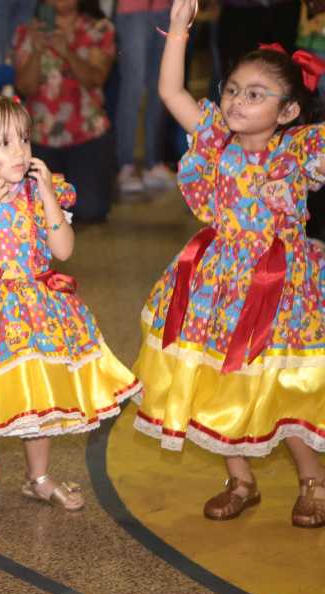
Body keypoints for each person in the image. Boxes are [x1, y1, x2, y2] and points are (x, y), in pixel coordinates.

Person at [134, 0, 325, 528]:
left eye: (256, 94)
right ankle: (240, 479)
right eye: (234, 89)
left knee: (280, 382)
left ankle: (313, 481)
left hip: (281, 286)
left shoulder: (301, 149)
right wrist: (178, 31)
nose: (238, 101)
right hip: (216, 282)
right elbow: (171, 92)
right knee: (215, 377)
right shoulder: (214, 138)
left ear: (288, 112)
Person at [0, 94, 138, 525]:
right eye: (3, 142)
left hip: (36, 309)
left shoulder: (39, 191)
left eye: (23, 139)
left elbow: (64, 250)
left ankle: (38, 477)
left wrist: (50, 195)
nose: (19, 151)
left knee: (40, 399)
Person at [11, 0, 116, 222]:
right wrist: (37, 51)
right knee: (38, 211)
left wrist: (66, 52)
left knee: (91, 210)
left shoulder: (98, 29)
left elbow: (96, 79)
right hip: (41, 137)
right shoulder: (29, 32)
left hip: (88, 134)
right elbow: (24, 87)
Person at [113, 0, 176, 194]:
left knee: (160, 88)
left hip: (164, 9)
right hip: (132, 9)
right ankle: (126, 164)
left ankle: (153, 162)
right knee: (133, 88)